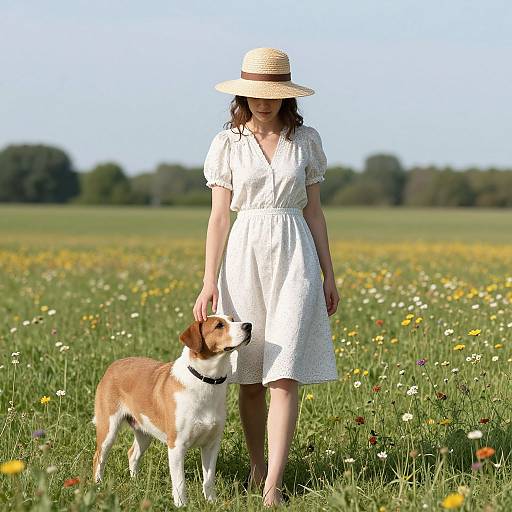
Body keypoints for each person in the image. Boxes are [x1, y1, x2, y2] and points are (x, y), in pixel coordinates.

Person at [193, 47, 340, 507]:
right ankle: (257, 467)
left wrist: (328, 274)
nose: (264, 102)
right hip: (244, 254)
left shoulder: (306, 140)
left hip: (295, 252)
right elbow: (219, 218)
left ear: (286, 96)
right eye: (256, 93)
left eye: (273, 93)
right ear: (243, 94)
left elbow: (315, 214)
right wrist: (207, 280)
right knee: (251, 376)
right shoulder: (228, 143)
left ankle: (274, 486)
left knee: (284, 373)